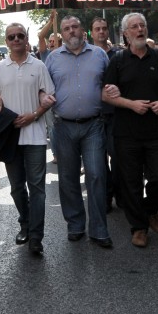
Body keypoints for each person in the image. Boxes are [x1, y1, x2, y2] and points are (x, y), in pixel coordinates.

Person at [102, 13, 158, 248]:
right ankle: (139, 228)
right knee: (131, 183)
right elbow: (105, 95)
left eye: (142, 25)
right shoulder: (117, 61)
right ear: (126, 34)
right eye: (134, 27)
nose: (139, 29)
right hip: (126, 133)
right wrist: (131, 104)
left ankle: (151, 209)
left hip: (155, 131)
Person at [0, 23, 55, 255]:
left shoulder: (39, 65)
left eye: (20, 36)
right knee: (16, 188)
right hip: (10, 137)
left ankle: (36, 236)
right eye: (11, 36)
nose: (16, 39)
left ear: (26, 39)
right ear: (6, 41)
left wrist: (34, 114)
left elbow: (48, 96)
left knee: (37, 189)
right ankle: (24, 223)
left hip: (35, 135)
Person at [45, 16, 112, 248]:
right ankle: (75, 224)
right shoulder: (52, 59)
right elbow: (43, 89)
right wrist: (44, 97)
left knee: (96, 174)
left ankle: (99, 228)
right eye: (66, 29)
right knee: (68, 177)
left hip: (94, 124)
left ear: (83, 30)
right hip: (63, 126)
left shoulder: (100, 55)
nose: (71, 31)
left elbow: (110, 83)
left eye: (75, 27)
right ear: (61, 34)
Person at [91, 16, 121, 211]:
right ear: (91, 33)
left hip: (116, 115)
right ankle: (106, 195)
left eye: (104, 28)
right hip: (94, 116)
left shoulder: (119, 55)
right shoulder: (85, 55)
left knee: (118, 158)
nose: (101, 32)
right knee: (98, 162)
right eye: (97, 29)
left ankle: (122, 194)